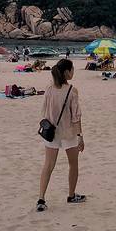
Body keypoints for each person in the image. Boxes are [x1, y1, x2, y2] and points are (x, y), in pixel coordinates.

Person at [37, 59, 85, 212]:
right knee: (73, 164)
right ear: (66, 72)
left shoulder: (49, 88)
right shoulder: (72, 90)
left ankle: (41, 199)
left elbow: (44, 111)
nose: (73, 72)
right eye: (72, 69)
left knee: (48, 165)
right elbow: (76, 116)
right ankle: (71, 195)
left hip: (51, 132)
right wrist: (80, 136)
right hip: (68, 132)